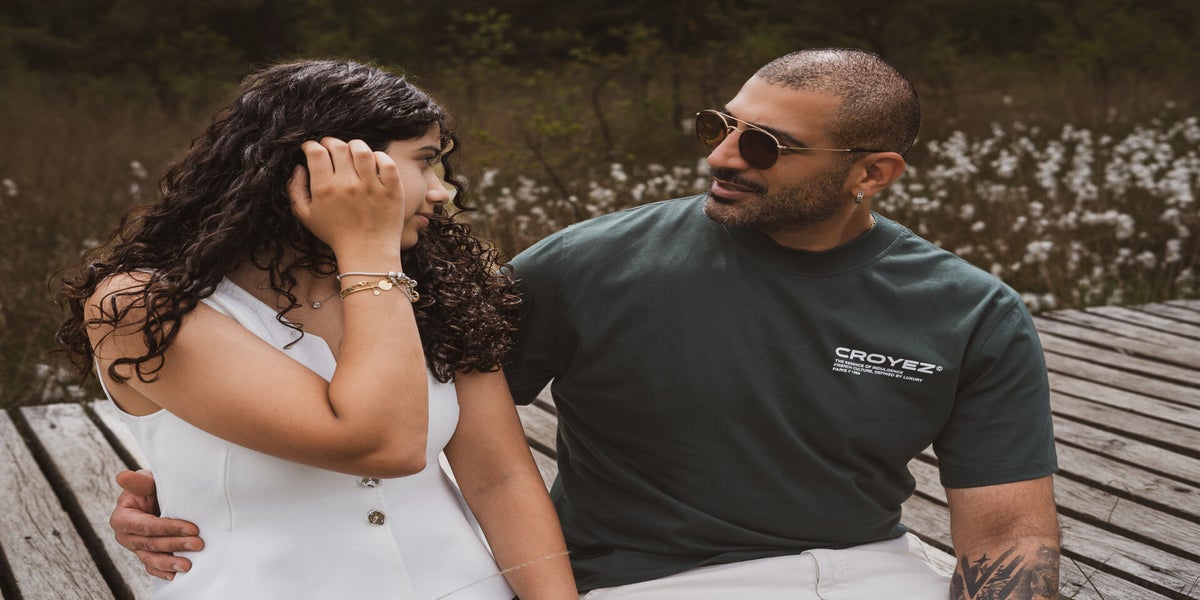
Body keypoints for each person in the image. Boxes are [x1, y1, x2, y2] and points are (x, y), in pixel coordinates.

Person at [107, 48, 1061, 599]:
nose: (724, 156)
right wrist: (190, 473)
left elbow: (1011, 530)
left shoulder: (970, 310)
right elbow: (392, 428)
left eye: (766, 145)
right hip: (656, 584)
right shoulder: (590, 263)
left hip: (875, 572)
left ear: (873, 173)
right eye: (718, 126)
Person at [56, 59, 576, 599]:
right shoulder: (142, 306)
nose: (441, 192)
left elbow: (500, 479)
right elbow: (384, 446)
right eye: (423, 162)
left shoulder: (439, 287)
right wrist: (369, 253)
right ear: (327, 168)